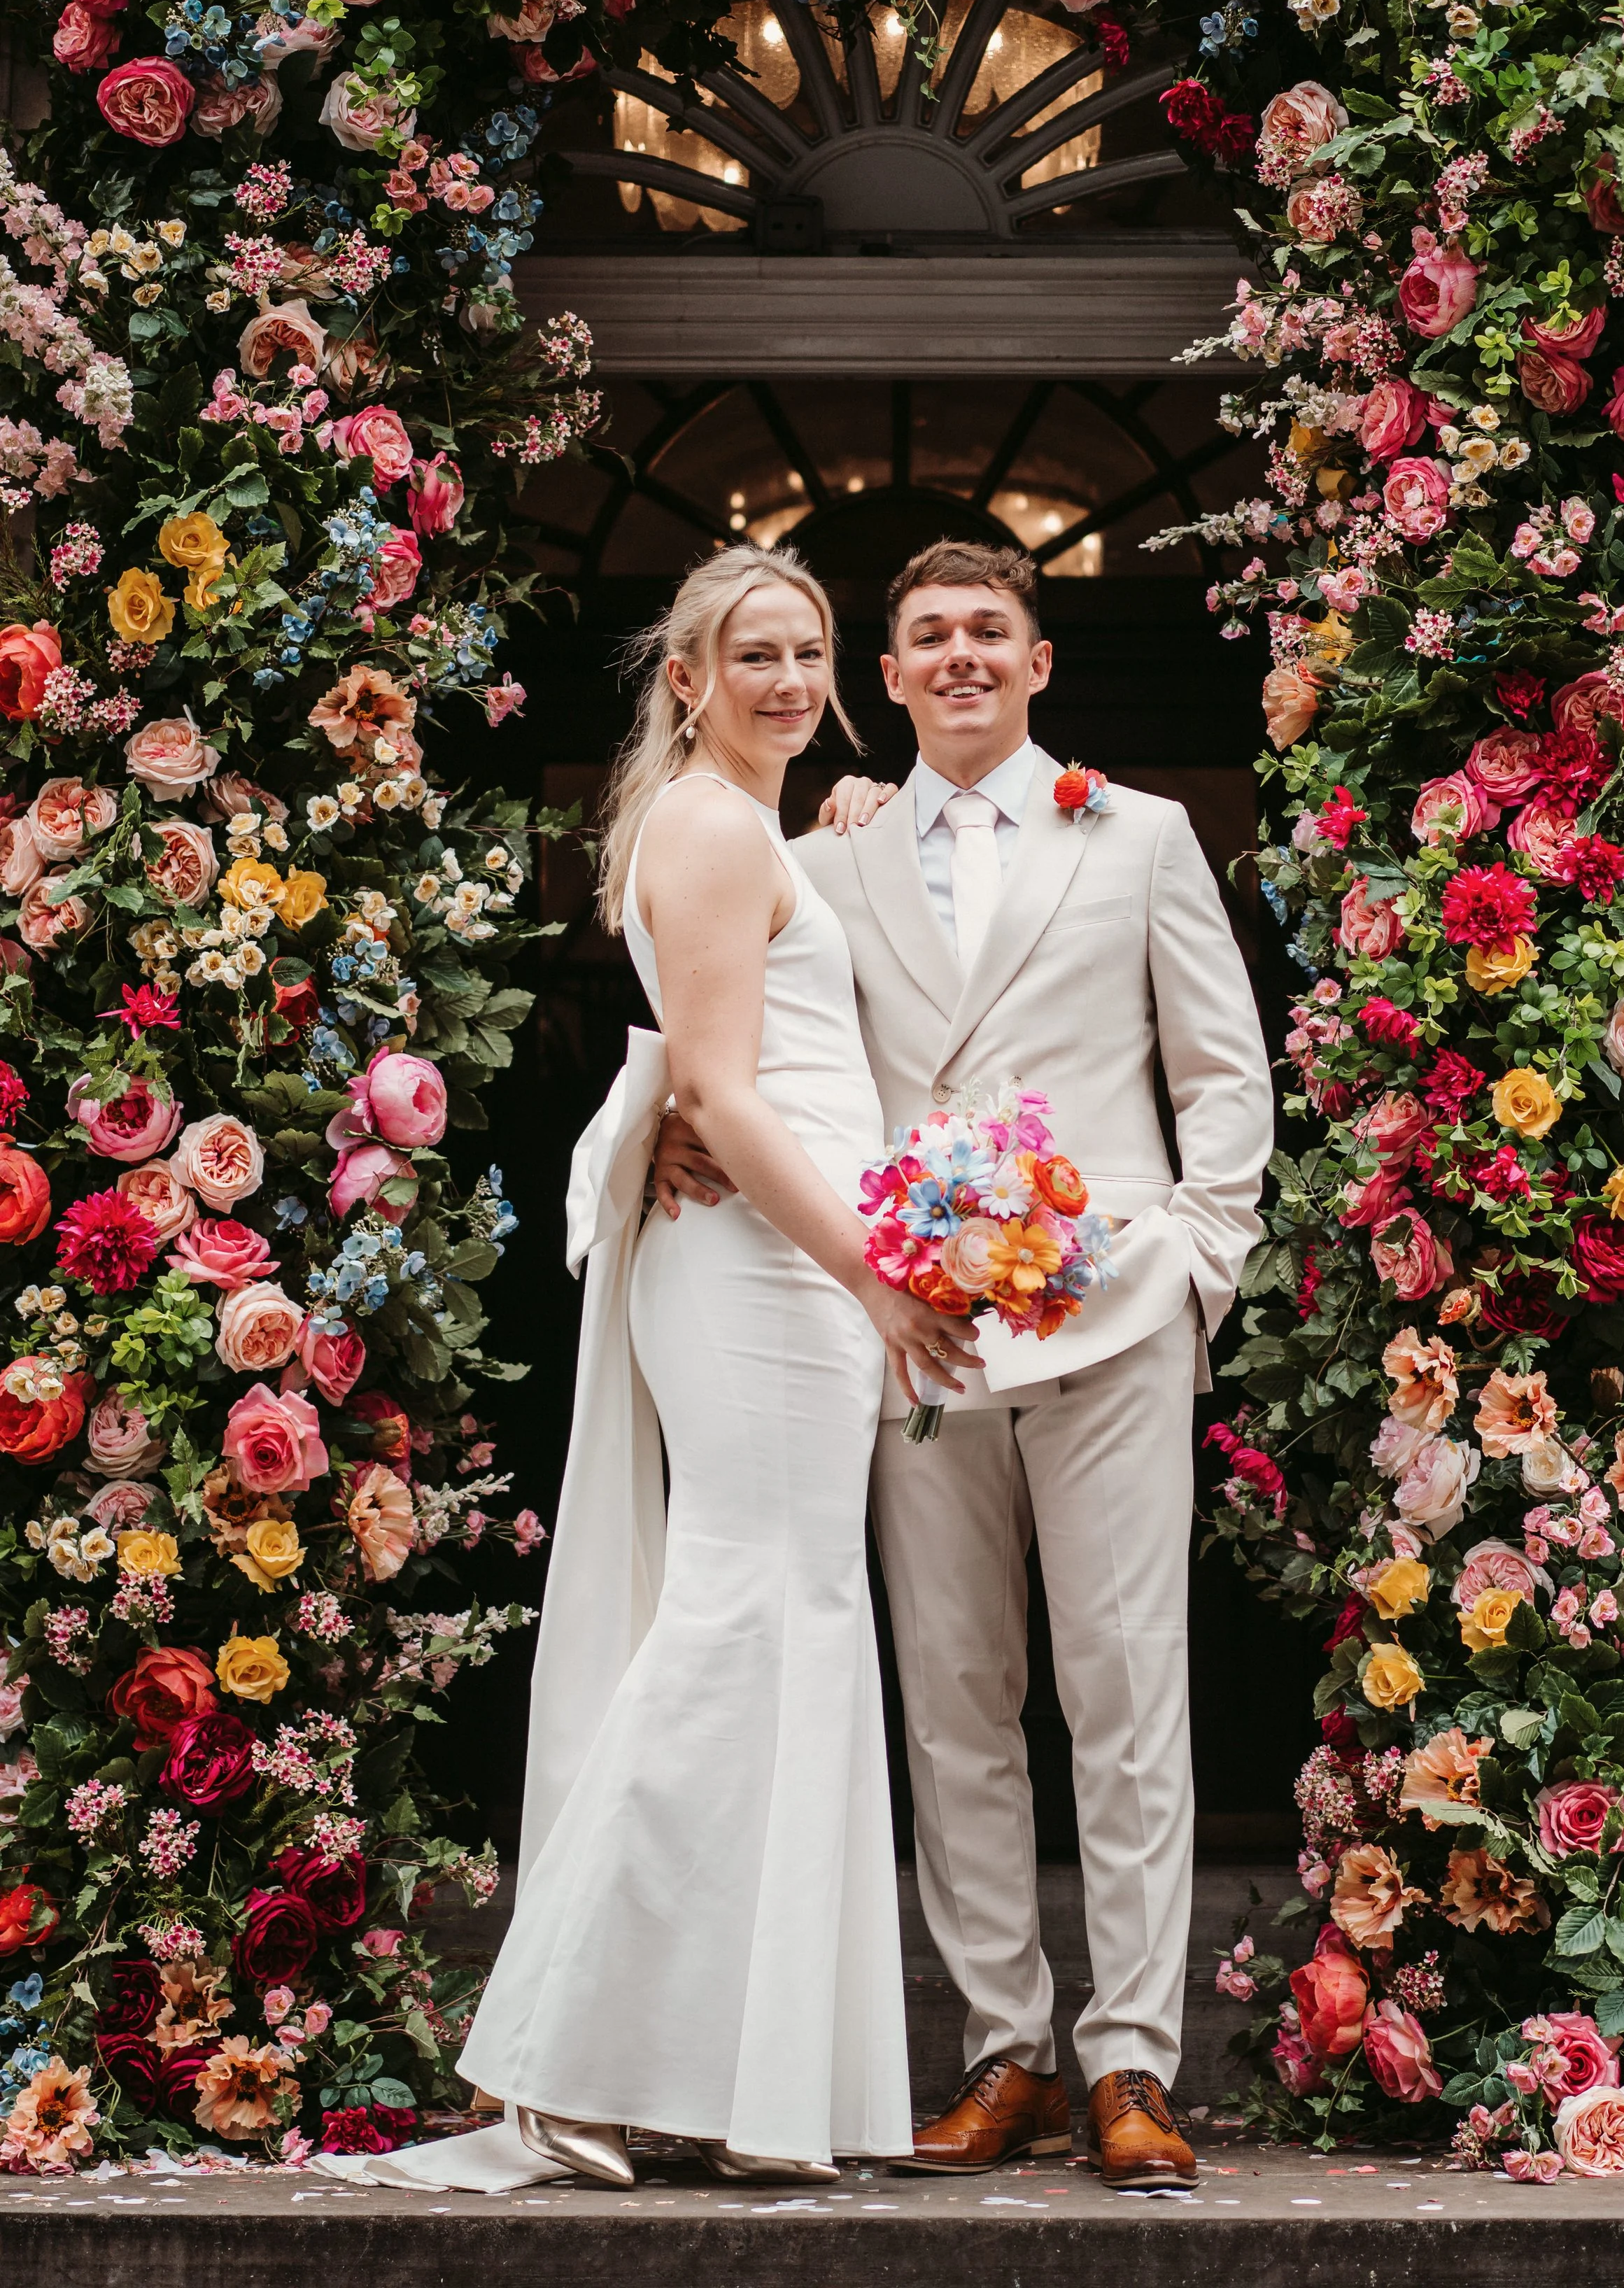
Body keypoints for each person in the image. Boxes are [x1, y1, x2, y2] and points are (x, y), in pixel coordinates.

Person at [324, 543, 979, 2197]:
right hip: (771, 1273)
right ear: (684, 678)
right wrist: (884, 1279)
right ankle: (559, 2061)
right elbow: (725, 1092)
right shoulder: (699, 822)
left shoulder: (758, 826)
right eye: (749, 654)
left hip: (794, 1265)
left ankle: (726, 2070)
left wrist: (836, 831)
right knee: (735, 1622)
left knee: (783, 1624)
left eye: (807, 650)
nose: (783, 679)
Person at [655, 538, 1273, 2191]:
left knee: (1126, 1692)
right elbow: (746, 1048)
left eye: (986, 631)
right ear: (896, 668)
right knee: (952, 1701)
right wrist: (667, 1137)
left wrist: (1198, 1262)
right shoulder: (822, 850)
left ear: (1039, 660)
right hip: (914, 1335)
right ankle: (1000, 2049)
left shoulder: (1138, 833)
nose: (955, 657)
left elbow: (1223, 1066)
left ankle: (1131, 2059)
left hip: (1115, 1318)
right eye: (924, 635)